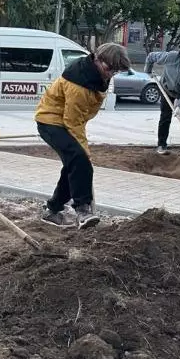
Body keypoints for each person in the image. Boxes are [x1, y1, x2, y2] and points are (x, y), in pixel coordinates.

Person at [37, 43, 130, 230]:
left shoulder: (95, 75)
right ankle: (83, 209)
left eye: (115, 71)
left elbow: (78, 118)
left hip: (65, 122)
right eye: (109, 68)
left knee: (73, 164)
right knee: (80, 160)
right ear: (97, 59)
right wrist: (83, 149)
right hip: (51, 121)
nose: (111, 73)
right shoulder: (78, 83)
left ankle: (52, 210)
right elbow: (72, 121)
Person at [144, 46, 180, 155]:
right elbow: (151, 57)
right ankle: (161, 145)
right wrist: (148, 70)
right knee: (165, 117)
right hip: (167, 90)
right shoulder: (171, 57)